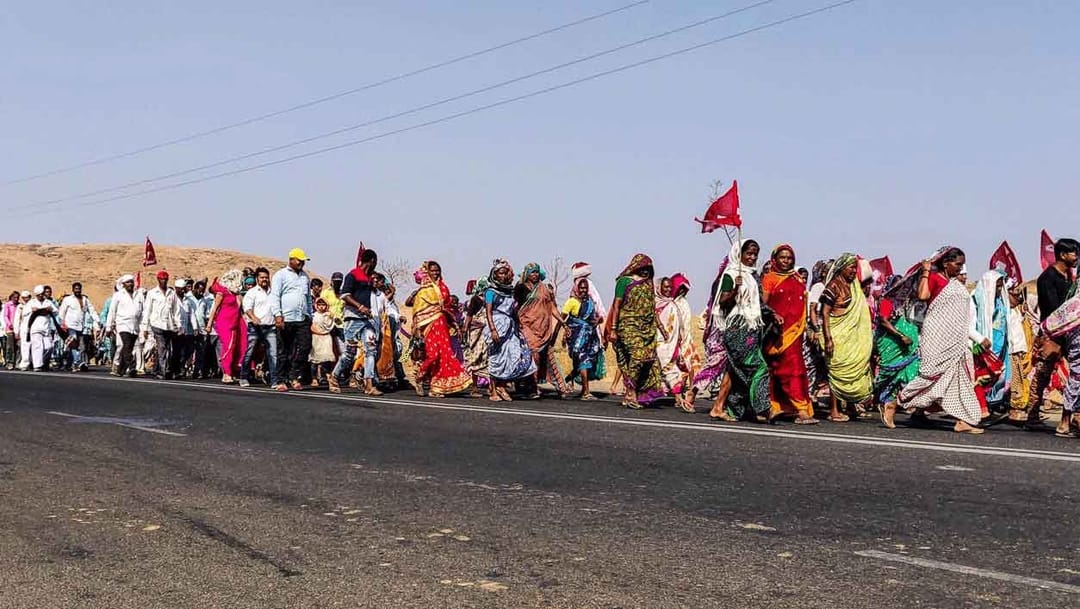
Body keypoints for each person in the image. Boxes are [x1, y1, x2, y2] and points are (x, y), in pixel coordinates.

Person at [882, 248, 984, 434]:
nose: (960, 268)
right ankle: (894, 403)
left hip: (955, 340)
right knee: (930, 376)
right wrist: (926, 271)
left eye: (962, 265)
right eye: (958, 264)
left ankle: (963, 420)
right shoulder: (935, 277)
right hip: (937, 336)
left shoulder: (954, 283)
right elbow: (922, 296)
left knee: (960, 378)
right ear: (946, 263)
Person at [706, 240, 770, 422]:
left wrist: (773, 314)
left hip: (752, 327)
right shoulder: (730, 275)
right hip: (738, 327)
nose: (752, 257)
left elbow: (758, 303)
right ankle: (762, 408)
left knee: (734, 370)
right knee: (758, 367)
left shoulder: (752, 276)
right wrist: (735, 289)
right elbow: (723, 302)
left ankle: (720, 407)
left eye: (755, 254)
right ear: (739, 254)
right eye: (748, 253)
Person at [1027, 238, 1079, 432]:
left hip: (1069, 333)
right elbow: (1053, 309)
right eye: (1074, 253)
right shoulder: (1048, 278)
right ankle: (1032, 415)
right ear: (1063, 255)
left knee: (1075, 373)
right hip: (1052, 333)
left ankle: (1073, 416)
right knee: (1043, 374)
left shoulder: (1069, 277)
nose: (1077, 257)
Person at [761, 245, 818, 424]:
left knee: (795, 370)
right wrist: (773, 316)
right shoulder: (769, 279)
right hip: (776, 334)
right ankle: (787, 408)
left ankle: (797, 409)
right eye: (782, 257)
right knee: (778, 371)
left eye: (789, 258)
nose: (786, 261)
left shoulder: (797, 279)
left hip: (795, 334)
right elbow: (763, 305)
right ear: (775, 259)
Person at [820, 254, 874, 422]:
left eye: (854, 268)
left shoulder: (854, 287)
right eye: (850, 267)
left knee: (855, 370)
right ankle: (834, 410)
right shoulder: (833, 286)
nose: (853, 271)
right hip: (836, 335)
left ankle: (851, 406)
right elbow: (825, 312)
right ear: (841, 268)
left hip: (851, 337)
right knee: (836, 373)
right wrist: (828, 338)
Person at [607, 253, 665, 409]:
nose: (645, 271)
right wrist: (613, 329)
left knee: (647, 361)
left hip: (647, 329)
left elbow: (651, 309)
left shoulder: (648, 284)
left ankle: (632, 393)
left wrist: (660, 328)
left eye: (648, 269)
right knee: (637, 357)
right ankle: (631, 392)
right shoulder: (624, 282)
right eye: (643, 268)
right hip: (628, 326)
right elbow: (617, 305)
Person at [412, 261, 472, 397]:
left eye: (437, 270)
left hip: (442, 324)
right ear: (427, 272)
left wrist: (454, 324)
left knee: (444, 355)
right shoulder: (423, 291)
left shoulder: (443, 287)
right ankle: (419, 377)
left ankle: (437, 387)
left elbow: (446, 308)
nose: (435, 273)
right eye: (432, 270)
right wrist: (417, 329)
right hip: (429, 326)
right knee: (433, 355)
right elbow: (418, 311)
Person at [484, 259, 536, 401]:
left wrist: (518, 325)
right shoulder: (490, 291)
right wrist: (493, 330)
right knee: (496, 357)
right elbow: (488, 312)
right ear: (495, 275)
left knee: (513, 355)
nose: (503, 276)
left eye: (505, 273)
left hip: (510, 327)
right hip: (497, 326)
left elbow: (513, 310)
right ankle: (494, 389)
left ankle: (502, 385)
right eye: (500, 273)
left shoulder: (509, 291)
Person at [515, 263, 569, 398]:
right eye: (532, 272)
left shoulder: (544, 289)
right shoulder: (521, 288)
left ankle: (561, 387)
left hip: (543, 329)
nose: (535, 275)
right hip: (527, 327)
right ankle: (533, 387)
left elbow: (551, 307)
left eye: (536, 272)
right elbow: (515, 307)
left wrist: (563, 323)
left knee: (548, 356)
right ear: (527, 274)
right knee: (534, 357)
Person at [331, 249, 379, 395]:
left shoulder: (369, 278)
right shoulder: (353, 275)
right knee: (349, 353)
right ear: (372, 261)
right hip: (352, 318)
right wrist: (360, 306)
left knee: (371, 349)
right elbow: (345, 295)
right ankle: (334, 377)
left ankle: (369, 384)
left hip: (366, 320)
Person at [873, 275, 921, 407]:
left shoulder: (901, 303)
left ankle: (892, 399)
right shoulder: (887, 302)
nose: (903, 291)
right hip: (889, 342)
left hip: (901, 345)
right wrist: (901, 336)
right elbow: (884, 321)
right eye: (900, 288)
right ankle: (879, 397)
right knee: (889, 372)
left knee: (904, 371)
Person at [271, 248, 314, 391]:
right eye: (299, 260)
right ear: (291, 260)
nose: (302, 263)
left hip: (302, 318)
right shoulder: (280, 275)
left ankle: (294, 375)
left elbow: (308, 298)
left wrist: (310, 315)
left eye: (303, 261)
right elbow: (275, 296)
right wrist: (278, 315)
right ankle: (281, 379)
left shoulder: (305, 277)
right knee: (284, 350)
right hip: (286, 318)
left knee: (305, 346)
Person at [971, 270, 1011, 418]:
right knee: (984, 376)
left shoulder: (1000, 301)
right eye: (997, 286)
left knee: (999, 375)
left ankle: (991, 404)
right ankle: (981, 406)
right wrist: (979, 339)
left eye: (1001, 286)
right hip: (985, 344)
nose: (1000, 289)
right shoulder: (976, 299)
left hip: (1001, 344)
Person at [655, 274, 696, 411]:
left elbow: (680, 325)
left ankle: (678, 397)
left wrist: (679, 340)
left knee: (670, 369)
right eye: (665, 287)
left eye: (670, 287)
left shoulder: (673, 305)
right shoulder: (654, 302)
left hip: (669, 344)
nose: (668, 289)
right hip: (656, 341)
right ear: (659, 287)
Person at [562, 277, 604, 401]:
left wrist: (598, 321)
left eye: (585, 288)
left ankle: (568, 381)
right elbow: (561, 319)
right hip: (576, 338)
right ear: (576, 289)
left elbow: (599, 317)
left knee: (581, 364)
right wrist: (560, 335)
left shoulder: (590, 302)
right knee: (583, 361)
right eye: (581, 288)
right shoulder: (571, 302)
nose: (583, 290)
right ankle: (586, 392)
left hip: (589, 337)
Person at [239, 267, 277, 388]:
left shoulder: (273, 292)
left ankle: (274, 380)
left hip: (270, 327)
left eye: (266, 277)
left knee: (273, 354)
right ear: (257, 279)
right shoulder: (252, 292)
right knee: (250, 351)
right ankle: (243, 377)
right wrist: (253, 317)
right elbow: (247, 308)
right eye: (262, 277)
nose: (264, 279)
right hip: (255, 327)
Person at [206, 270, 245, 384]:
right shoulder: (222, 291)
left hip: (235, 322)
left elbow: (241, 310)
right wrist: (209, 324)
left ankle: (234, 370)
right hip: (225, 323)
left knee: (238, 346)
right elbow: (215, 308)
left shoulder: (236, 294)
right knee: (229, 346)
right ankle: (226, 373)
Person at [141, 270, 181, 379]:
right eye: (162, 279)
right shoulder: (152, 293)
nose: (164, 281)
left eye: (165, 279)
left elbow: (176, 310)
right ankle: (163, 371)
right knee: (162, 347)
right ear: (158, 280)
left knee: (166, 349)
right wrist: (145, 327)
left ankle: (158, 369)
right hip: (156, 324)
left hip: (169, 325)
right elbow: (147, 310)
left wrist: (179, 325)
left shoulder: (171, 293)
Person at [1005, 283, 1035, 424]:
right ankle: (1013, 409)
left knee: (1021, 379)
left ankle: (1018, 407)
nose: (1018, 298)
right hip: (1012, 350)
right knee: (1015, 381)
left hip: (1020, 349)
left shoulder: (1016, 311)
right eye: (1015, 295)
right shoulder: (1006, 311)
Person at [105, 275, 142, 377]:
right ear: (123, 284)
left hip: (134, 326)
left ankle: (119, 369)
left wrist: (143, 327)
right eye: (128, 282)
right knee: (126, 345)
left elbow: (142, 312)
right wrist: (108, 326)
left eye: (131, 282)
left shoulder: (138, 295)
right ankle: (131, 367)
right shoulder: (118, 295)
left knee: (126, 347)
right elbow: (112, 311)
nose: (130, 284)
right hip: (122, 325)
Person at [58, 282, 97, 372]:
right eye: (76, 289)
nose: (77, 290)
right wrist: (62, 323)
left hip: (81, 326)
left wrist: (97, 321)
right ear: (72, 290)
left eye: (79, 289)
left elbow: (92, 310)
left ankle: (70, 363)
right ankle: (77, 362)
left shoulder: (85, 299)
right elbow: (62, 312)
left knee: (80, 346)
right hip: (70, 326)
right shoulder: (68, 299)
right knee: (73, 344)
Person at [462, 278, 491, 396]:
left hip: (488, 331)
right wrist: (465, 329)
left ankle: (491, 387)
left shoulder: (490, 299)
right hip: (476, 332)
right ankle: (474, 388)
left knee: (488, 358)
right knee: (476, 357)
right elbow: (469, 315)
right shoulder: (475, 299)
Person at [25, 286, 59, 371]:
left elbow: (56, 312)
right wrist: (32, 310)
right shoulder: (31, 302)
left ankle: (41, 362)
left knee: (49, 347)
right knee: (37, 346)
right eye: (39, 294)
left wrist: (51, 309)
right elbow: (24, 313)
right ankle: (37, 366)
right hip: (35, 328)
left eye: (42, 294)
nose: (41, 295)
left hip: (46, 328)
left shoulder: (48, 302)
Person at [309, 298, 337, 386]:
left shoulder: (328, 315)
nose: (321, 307)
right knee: (315, 359)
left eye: (323, 305)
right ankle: (314, 378)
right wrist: (318, 332)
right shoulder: (313, 315)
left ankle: (327, 377)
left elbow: (333, 323)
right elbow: (311, 327)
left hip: (326, 338)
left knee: (326, 359)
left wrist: (332, 316)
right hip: (316, 338)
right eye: (319, 305)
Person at [14, 291, 32, 371]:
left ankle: (33, 362)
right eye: (24, 297)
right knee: (24, 346)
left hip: (33, 327)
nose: (25, 299)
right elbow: (17, 319)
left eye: (27, 297)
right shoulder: (20, 306)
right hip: (24, 328)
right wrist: (16, 331)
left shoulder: (33, 304)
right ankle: (24, 363)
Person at [2, 292, 18, 369]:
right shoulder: (8, 305)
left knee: (17, 346)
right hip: (10, 328)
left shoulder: (19, 305)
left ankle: (16, 362)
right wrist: (9, 324)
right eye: (15, 297)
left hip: (18, 329)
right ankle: (9, 362)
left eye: (17, 297)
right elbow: (5, 316)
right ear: (11, 297)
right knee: (10, 346)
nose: (16, 299)